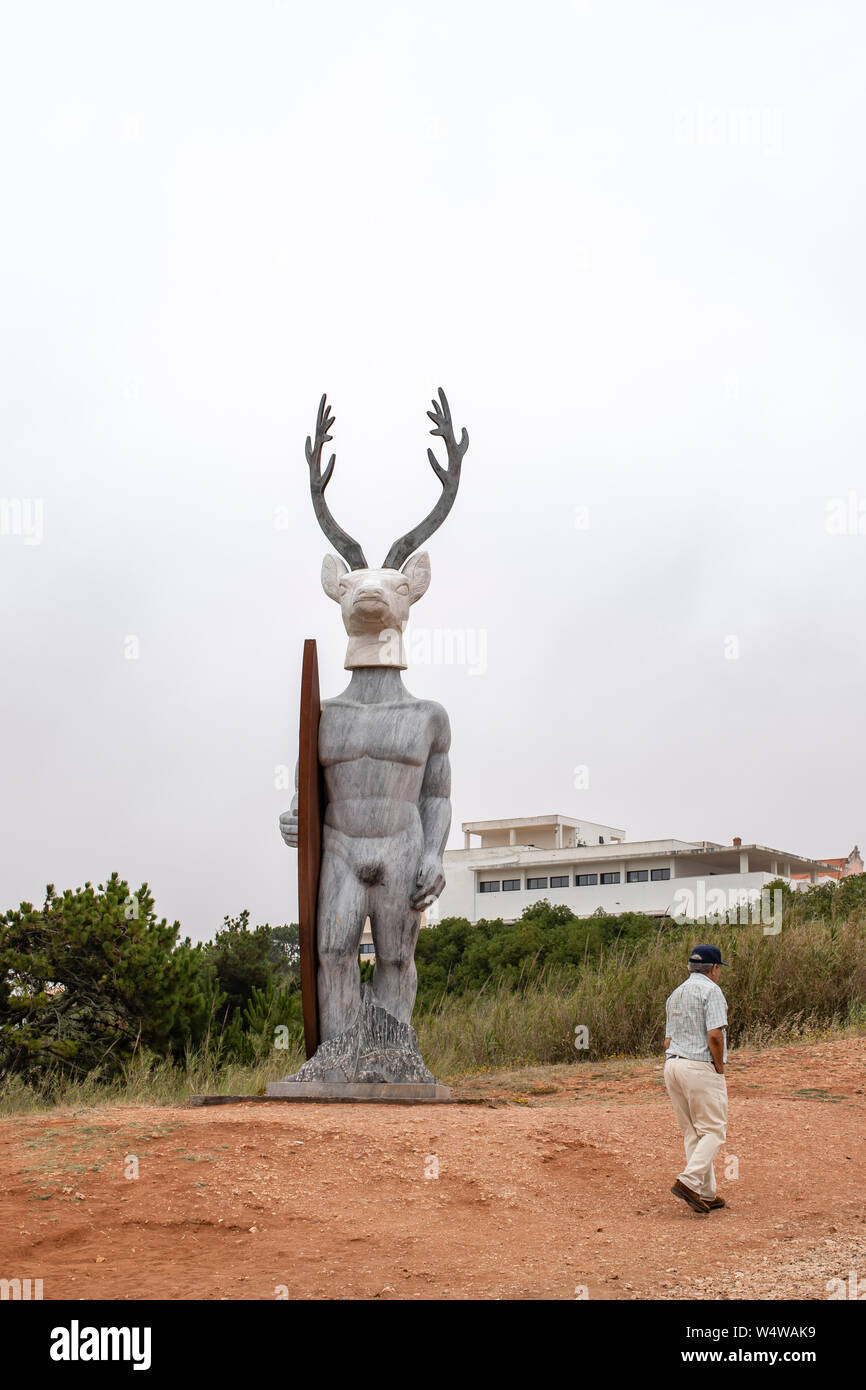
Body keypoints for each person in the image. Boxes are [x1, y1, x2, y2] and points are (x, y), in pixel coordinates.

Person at [663, 944, 729, 1214]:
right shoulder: (711, 991)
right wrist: (719, 1065)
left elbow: (666, 1039)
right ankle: (689, 1181)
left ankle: (706, 1192)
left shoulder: (675, 994)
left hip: (672, 1065)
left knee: (692, 1131)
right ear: (714, 968)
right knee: (713, 1130)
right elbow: (715, 1034)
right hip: (699, 1065)